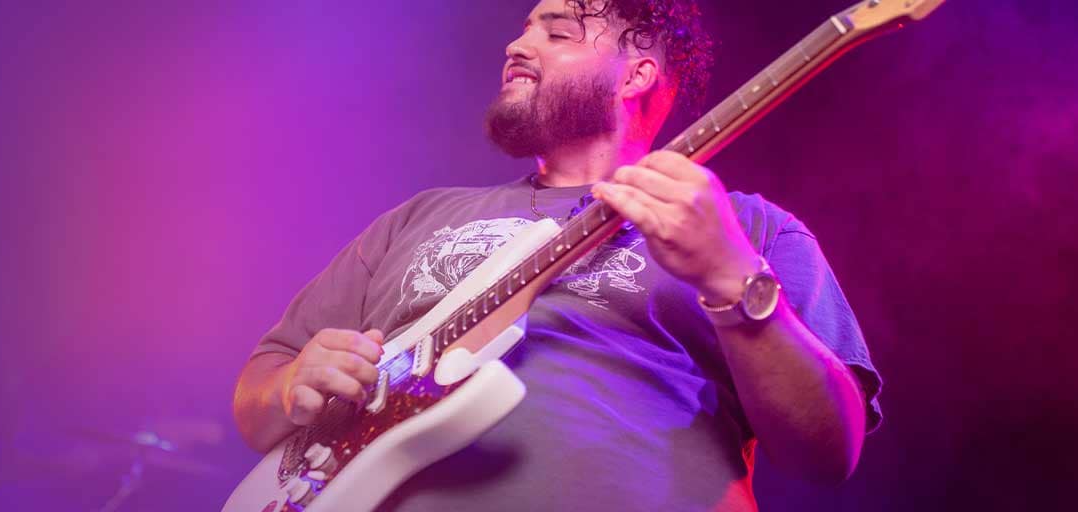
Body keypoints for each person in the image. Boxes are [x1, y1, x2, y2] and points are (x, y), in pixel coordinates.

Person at [230, 0, 883, 509]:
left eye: (558, 31)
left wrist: (733, 279)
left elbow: (830, 451)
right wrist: (291, 386)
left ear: (637, 73)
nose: (517, 44)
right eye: (523, 28)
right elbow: (263, 383)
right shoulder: (417, 219)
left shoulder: (749, 229)